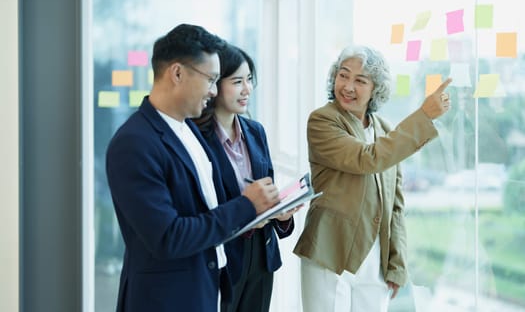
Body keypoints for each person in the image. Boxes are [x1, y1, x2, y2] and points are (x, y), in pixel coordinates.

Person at [105, 24, 282, 312]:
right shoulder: (134, 143)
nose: (214, 92)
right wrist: (246, 205)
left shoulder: (188, 129)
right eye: (211, 79)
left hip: (206, 290)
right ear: (177, 73)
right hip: (166, 300)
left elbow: (205, 208)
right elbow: (168, 237)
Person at [293, 45, 452, 312]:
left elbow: (396, 205)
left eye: (360, 80)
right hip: (330, 252)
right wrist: (424, 116)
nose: (348, 86)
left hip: (374, 260)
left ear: (375, 88)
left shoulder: (384, 130)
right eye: (343, 75)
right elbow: (367, 159)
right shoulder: (322, 121)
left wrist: (396, 265)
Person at [193, 43, 300, 312]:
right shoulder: (197, 138)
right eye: (237, 81)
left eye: (249, 80)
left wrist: (282, 213)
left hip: (262, 256)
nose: (247, 89)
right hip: (223, 258)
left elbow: (268, 187)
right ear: (215, 86)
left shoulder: (255, 132)